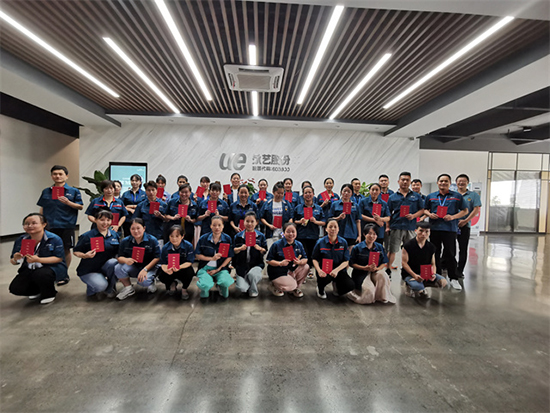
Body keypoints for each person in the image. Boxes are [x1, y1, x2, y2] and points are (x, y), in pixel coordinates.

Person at [37, 165, 83, 284]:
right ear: (51, 176)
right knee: (48, 249)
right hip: (49, 225)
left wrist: (68, 202)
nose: (57, 176)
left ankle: (63, 274)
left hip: (66, 225)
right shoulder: (46, 191)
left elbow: (80, 206)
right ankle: (49, 273)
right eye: (55, 174)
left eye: (60, 174)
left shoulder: (73, 191)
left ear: (66, 176)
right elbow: (42, 207)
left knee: (66, 249)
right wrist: (40, 222)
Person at [8, 213, 66, 304]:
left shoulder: (54, 239)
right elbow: (13, 261)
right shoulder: (21, 239)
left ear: (44, 224)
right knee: (15, 288)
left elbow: (59, 258)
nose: (30, 226)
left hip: (51, 268)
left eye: (34, 223)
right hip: (29, 268)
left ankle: (49, 293)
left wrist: (38, 259)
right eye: (27, 224)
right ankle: (37, 290)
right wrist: (15, 259)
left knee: (41, 274)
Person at [424, 173, 468, 290]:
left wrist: (453, 217)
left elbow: (465, 211)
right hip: (435, 228)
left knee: (450, 253)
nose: (443, 183)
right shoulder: (431, 196)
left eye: (446, 181)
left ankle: (453, 278)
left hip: (450, 229)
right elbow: (425, 210)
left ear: (449, 183)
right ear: (437, 183)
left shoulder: (457, 196)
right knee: (435, 253)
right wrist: (430, 214)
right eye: (441, 181)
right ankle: (438, 276)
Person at [73, 210, 120, 299]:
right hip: (90, 269)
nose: (105, 223)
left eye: (108, 220)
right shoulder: (87, 236)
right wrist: (84, 255)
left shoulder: (114, 235)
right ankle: (92, 289)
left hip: (105, 266)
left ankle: (110, 288)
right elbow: (76, 251)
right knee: (101, 286)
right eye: (102, 220)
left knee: (114, 263)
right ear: (95, 220)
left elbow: (118, 251)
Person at [386, 172, 425, 273]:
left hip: (410, 227)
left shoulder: (416, 196)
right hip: (396, 226)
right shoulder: (392, 197)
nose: (404, 182)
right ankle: (388, 270)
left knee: (410, 250)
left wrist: (413, 216)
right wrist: (387, 227)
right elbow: (388, 213)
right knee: (392, 250)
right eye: (403, 180)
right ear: (398, 181)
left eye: (407, 180)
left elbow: (422, 210)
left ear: (410, 182)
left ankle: (408, 270)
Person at [347, 223, 395, 304]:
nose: (372, 236)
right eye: (369, 233)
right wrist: (364, 268)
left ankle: (380, 296)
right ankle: (354, 294)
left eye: (374, 234)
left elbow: (384, 262)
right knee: (369, 292)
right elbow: (352, 263)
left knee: (383, 275)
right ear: (364, 234)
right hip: (361, 274)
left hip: (375, 272)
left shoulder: (380, 247)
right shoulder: (357, 248)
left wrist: (377, 268)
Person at [114, 218, 161, 300]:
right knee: (118, 267)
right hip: (134, 267)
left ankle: (151, 281)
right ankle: (128, 288)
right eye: (133, 229)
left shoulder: (152, 240)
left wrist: (145, 269)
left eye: (138, 228)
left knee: (143, 282)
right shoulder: (125, 241)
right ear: (129, 229)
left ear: (144, 228)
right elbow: (119, 257)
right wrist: (126, 260)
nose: (136, 231)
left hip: (149, 268)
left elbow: (157, 257)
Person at [401, 222, 448, 298]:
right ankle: (410, 285)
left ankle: (422, 286)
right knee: (417, 287)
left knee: (443, 282)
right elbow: (404, 263)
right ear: (416, 231)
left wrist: (433, 274)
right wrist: (414, 275)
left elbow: (433, 264)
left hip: (425, 273)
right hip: (411, 274)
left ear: (430, 232)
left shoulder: (431, 247)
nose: (423, 234)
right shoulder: (408, 245)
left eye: (426, 231)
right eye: (421, 231)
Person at [311, 219, 355, 299]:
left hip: (339, 270)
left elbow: (346, 261)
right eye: (330, 227)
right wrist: (319, 270)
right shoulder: (320, 242)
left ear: (338, 229)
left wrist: (336, 270)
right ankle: (320, 289)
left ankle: (337, 287)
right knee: (324, 278)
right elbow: (314, 259)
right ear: (326, 229)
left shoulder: (343, 242)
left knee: (350, 285)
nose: (333, 229)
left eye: (335, 227)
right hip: (324, 269)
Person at [195, 215, 235, 299]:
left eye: (219, 225)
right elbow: (197, 255)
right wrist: (211, 259)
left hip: (221, 268)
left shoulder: (227, 239)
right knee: (205, 286)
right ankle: (204, 288)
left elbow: (229, 257)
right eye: (214, 225)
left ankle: (221, 286)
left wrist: (218, 269)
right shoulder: (203, 238)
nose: (217, 227)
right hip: (205, 268)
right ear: (210, 226)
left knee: (225, 284)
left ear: (223, 226)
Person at [266, 223, 309, 297]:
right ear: (283, 233)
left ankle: (296, 288)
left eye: (293, 231)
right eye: (288, 231)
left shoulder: (299, 244)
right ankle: (274, 286)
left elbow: (305, 258)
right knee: (292, 285)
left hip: (291, 269)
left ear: (296, 232)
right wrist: (280, 263)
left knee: (306, 267)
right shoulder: (277, 244)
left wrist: (300, 262)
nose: (291, 234)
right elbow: (268, 260)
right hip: (278, 271)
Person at [293, 185, 326, 278]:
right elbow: (294, 221)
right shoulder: (298, 208)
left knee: (311, 254)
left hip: (313, 235)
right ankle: (301, 273)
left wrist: (315, 221)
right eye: (306, 193)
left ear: (313, 194)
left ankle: (309, 270)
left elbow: (324, 222)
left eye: (310, 192)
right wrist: (300, 221)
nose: (308, 194)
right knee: (302, 255)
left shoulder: (318, 208)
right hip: (301, 235)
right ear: (303, 195)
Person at [233, 211, 268, 297]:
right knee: (242, 288)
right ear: (243, 222)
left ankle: (253, 290)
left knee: (252, 275)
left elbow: (265, 250)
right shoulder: (238, 236)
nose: (249, 224)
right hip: (241, 266)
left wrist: (260, 249)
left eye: (252, 221)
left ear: (256, 222)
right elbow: (233, 251)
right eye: (247, 221)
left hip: (256, 265)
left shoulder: (261, 236)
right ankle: (247, 282)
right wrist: (240, 249)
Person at [157, 225, 196, 300]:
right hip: (170, 269)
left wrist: (179, 267)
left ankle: (184, 289)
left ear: (182, 236)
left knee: (190, 272)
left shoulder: (188, 246)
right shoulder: (165, 247)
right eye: (171, 236)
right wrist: (166, 269)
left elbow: (189, 262)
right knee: (160, 274)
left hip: (183, 268)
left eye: (177, 236)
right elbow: (163, 263)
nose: (174, 239)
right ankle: (172, 284)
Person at [455, 174, 482, 278]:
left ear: (467, 183)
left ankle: (459, 270)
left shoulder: (473, 195)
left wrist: (466, 220)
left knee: (463, 248)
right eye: (459, 181)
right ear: (456, 182)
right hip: (452, 225)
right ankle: (449, 267)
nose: (461, 183)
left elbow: (476, 209)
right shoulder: (452, 194)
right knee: (449, 248)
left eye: (464, 181)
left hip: (464, 225)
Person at [133, 181, 168, 246]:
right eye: (148, 190)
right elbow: (135, 220)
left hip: (159, 236)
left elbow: (167, 219)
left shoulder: (163, 205)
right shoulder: (141, 205)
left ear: (156, 191)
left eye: (153, 190)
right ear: (146, 191)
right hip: (144, 236)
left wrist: (160, 216)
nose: (151, 192)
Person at [328, 183, 361, 249]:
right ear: (341, 192)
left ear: (352, 193)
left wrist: (359, 236)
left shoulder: (355, 206)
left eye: (348, 191)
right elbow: (330, 219)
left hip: (352, 233)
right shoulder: (335, 204)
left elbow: (358, 221)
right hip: (338, 233)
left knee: (351, 252)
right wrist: (338, 218)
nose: (346, 193)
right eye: (344, 191)